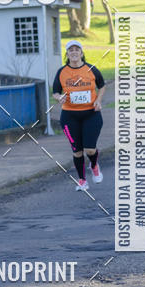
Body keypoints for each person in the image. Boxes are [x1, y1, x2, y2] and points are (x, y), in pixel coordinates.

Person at [52, 40, 105, 192]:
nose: (74, 52)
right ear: (67, 54)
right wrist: (59, 97)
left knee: (89, 149)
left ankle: (94, 165)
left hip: (91, 114)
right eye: (71, 50)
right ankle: (82, 180)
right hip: (69, 116)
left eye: (77, 50)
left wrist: (98, 101)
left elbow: (102, 86)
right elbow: (55, 91)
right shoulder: (61, 72)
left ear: (81, 53)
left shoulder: (91, 69)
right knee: (77, 151)